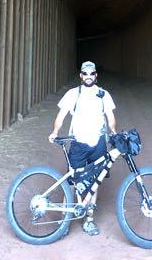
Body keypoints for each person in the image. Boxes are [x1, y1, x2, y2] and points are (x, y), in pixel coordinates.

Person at [48, 61, 116, 236]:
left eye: (91, 74)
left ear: (96, 75)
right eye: (85, 73)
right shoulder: (73, 94)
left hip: (98, 142)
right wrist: (55, 131)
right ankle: (64, 222)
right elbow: (61, 115)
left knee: (95, 181)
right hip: (78, 142)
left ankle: (89, 220)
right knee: (72, 181)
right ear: (80, 76)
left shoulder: (103, 94)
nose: (88, 76)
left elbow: (110, 117)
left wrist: (114, 131)